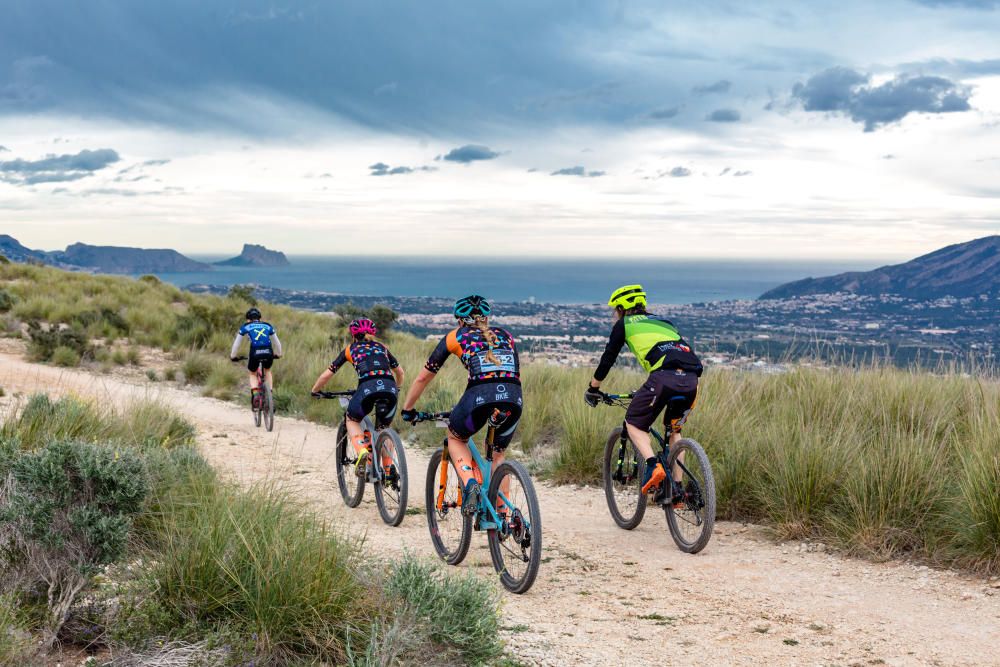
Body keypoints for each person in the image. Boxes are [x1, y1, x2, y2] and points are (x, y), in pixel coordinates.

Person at [401, 295, 521, 514]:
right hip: (514, 398)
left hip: (479, 396)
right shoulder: (506, 335)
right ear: (486, 318)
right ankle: (505, 517)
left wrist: (408, 409)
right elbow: (512, 374)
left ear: (459, 320)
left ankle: (470, 483)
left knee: (456, 437)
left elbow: (423, 378)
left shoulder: (454, 337)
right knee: (497, 455)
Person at [584, 284, 703, 504]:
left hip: (663, 378)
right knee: (675, 430)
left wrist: (593, 388)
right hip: (692, 380)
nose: (614, 314)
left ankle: (651, 465)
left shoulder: (624, 324)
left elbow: (608, 358)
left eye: (615, 310)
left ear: (621, 308)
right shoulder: (664, 322)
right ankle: (676, 490)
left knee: (633, 422)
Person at [311, 318, 404, 475]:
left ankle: (362, 450)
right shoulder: (382, 347)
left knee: (352, 419)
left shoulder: (350, 349)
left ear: (353, 335)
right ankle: (388, 471)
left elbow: (328, 374)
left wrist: (315, 390)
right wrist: (398, 388)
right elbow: (400, 372)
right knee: (384, 428)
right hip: (390, 388)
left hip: (367, 387)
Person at [230, 307, 282, 409]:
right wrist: (279, 354)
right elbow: (277, 343)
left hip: (254, 352)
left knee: (252, 373)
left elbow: (237, 344)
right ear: (260, 318)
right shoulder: (267, 326)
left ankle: (256, 395)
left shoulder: (246, 326)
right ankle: (270, 396)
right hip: (268, 351)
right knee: (267, 370)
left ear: (248, 319)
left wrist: (233, 356)